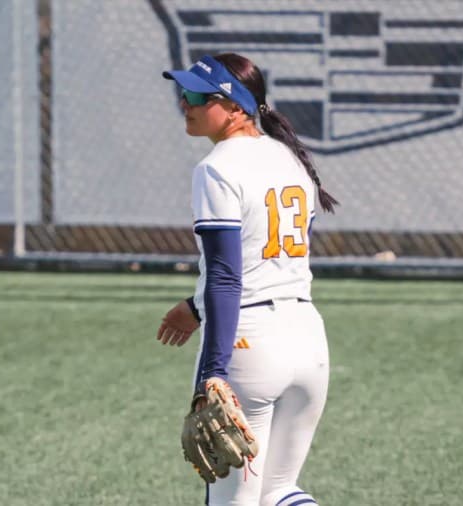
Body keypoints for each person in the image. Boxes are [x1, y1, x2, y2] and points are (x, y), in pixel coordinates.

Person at [156, 53, 339, 506]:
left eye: (199, 95)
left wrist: (214, 370)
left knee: (233, 502)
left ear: (236, 107)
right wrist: (195, 307)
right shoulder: (290, 158)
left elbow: (225, 274)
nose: (186, 102)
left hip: (250, 347)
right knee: (280, 492)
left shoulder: (218, 167)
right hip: (308, 340)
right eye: (183, 93)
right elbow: (266, 261)